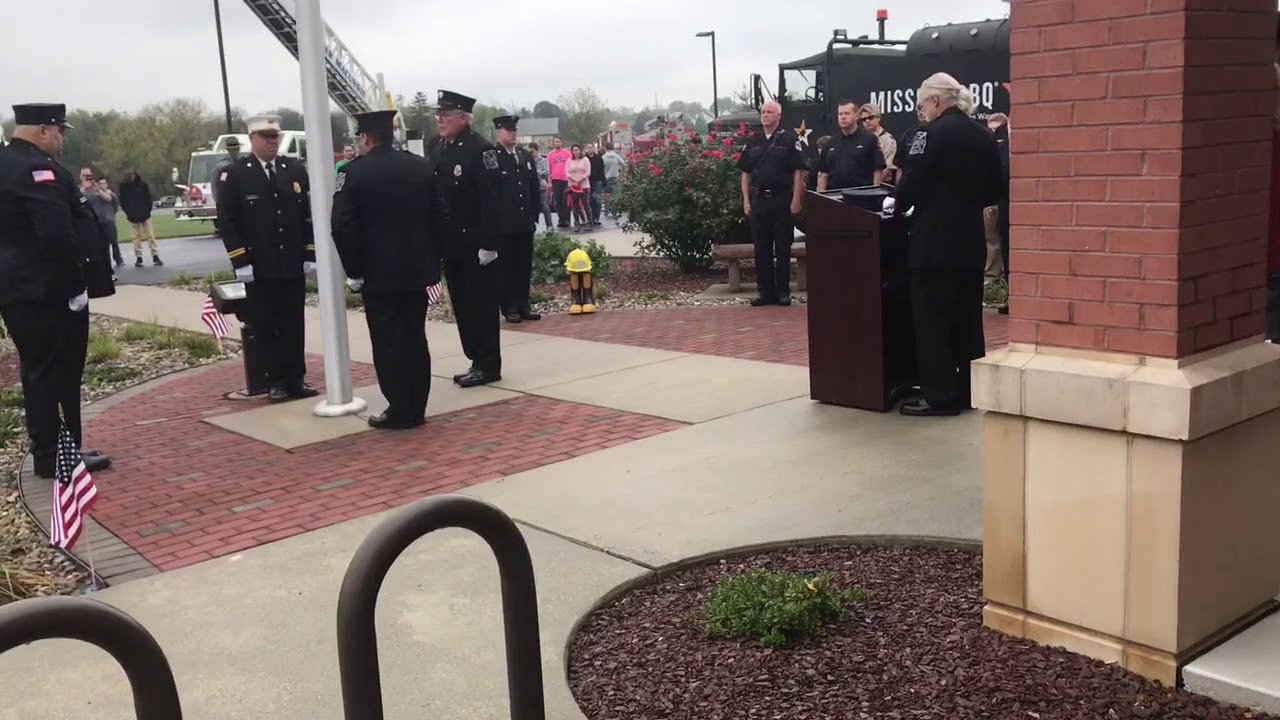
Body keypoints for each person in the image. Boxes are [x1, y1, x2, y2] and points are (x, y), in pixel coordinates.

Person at [0, 103, 112, 477]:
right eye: (61, 131)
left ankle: (56, 449)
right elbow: (55, 234)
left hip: (22, 290)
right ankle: (58, 455)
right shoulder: (37, 168)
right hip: (47, 293)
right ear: (43, 130)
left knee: (41, 372)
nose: (63, 139)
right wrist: (74, 286)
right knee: (57, 373)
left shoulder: (7, 162)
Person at [890, 73, 1003, 417]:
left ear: (937, 102)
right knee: (968, 322)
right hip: (969, 243)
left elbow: (909, 187)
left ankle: (939, 396)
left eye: (922, 104)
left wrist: (900, 203)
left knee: (933, 322)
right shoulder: (984, 135)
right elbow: (992, 189)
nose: (921, 111)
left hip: (933, 244)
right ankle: (970, 392)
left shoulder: (929, 134)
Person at [332, 110, 436, 429]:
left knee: (388, 341)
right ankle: (417, 405)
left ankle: (400, 407)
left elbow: (342, 225)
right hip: (416, 271)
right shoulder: (421, 167)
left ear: (365, 138)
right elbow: (439, 216)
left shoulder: (353, 173)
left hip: (378, 274)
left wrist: (354, 270)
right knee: (415, 338)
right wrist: (432, 262)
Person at [215, 114, 318, 403]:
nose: (273, 142)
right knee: (265, 325)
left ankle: (296, 377)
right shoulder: (236, 174)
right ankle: (275, 380)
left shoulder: (293, 170)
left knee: (293, 323)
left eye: (275, 137)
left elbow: (306, 216)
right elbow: (228, 221)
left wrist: (309, 252)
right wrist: (240, 261)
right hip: (258, 266)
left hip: (291, 263)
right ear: (252, 140)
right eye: (266, 137)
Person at [429, 90, 503, 388]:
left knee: (481, 305)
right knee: (462, 305)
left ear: (464, 118)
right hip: (451, 244)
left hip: (475, 245)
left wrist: (489, 243)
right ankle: (475, 358)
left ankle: (488, 363)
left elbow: (492, 199)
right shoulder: (439, 148)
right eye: (439, 116)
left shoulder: (480, 149)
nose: (440, 120)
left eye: (446, 115)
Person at [736, 100, 806, 307]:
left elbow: (798, 170)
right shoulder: (754, 142)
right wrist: (746, 200)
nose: (765, 115)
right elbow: (745, 174)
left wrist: (796, 199)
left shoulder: (789, 140)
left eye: (769, 112)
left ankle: (783, 292)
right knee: (761, 248)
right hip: (759, 200)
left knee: (783, 247)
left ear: (778, 116)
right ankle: (765, 292)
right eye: (763, 112)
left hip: (782, 198)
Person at [491, 116, 542, 323]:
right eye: (508, 130)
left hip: (524, 222)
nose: (513, 133)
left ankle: (523, 304)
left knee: (523, 266)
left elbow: (533, 186)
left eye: (514, 130)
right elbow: (491, 191)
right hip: (504, 224)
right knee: (506, 267)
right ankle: (509, 307)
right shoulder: (493, 157)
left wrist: (534, 214)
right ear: (498, 132)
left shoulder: (523, 156)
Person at [817, 100, 886, 191]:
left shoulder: (869, 140)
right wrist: (822, 198)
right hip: (834, 197)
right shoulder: (830, 143)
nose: (843, 117)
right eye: (840, 114)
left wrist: (875, 193)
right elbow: (823, 174)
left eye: (847, 113)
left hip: (862, 196)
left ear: (857, 116)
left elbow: (877, 170)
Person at [119, 170, 162, 267]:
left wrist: (147, 210)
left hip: (144, 214)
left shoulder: (142, 185)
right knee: (135, 237)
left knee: (150, 235)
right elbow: (123, 201)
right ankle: (139, 256)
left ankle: (154, 255)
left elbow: (148, 198)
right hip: (133, 215)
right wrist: (128, 212)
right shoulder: (123, 186)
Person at [211, 135, 242, 237]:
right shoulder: (221, 167)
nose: (234, 152)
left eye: (236, 149)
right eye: (232, 149)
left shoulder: (243, 164)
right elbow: (215, 187)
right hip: (228, 202)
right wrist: (219, 203)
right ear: (228, 150)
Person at [546, 137, 572, 228]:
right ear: (553, 143)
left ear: (562, 142)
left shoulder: (567, 153)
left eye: (559, 141)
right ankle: (561, 219)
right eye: (556, 142)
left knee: (566, 201)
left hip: (566, 179)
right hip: (555, 180)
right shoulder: (550, 154)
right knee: (557, 202)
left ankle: (567, 219)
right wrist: (549, 181)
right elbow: (548, 168)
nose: (557, 143)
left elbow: (571, 166)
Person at [565, 144, 591, 230]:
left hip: (584, 185)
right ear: (571, 151)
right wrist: (574, 179)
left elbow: (588, 172)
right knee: (575, 205)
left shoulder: (585, 159)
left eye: (577, 150)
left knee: (586, 204)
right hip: (573, 185)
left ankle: (589, 222)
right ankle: (577, 223)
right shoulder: (569, 161)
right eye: (574, 150)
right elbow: (567, 173)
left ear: (580, 150)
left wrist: (580, 178)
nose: (576, 152)